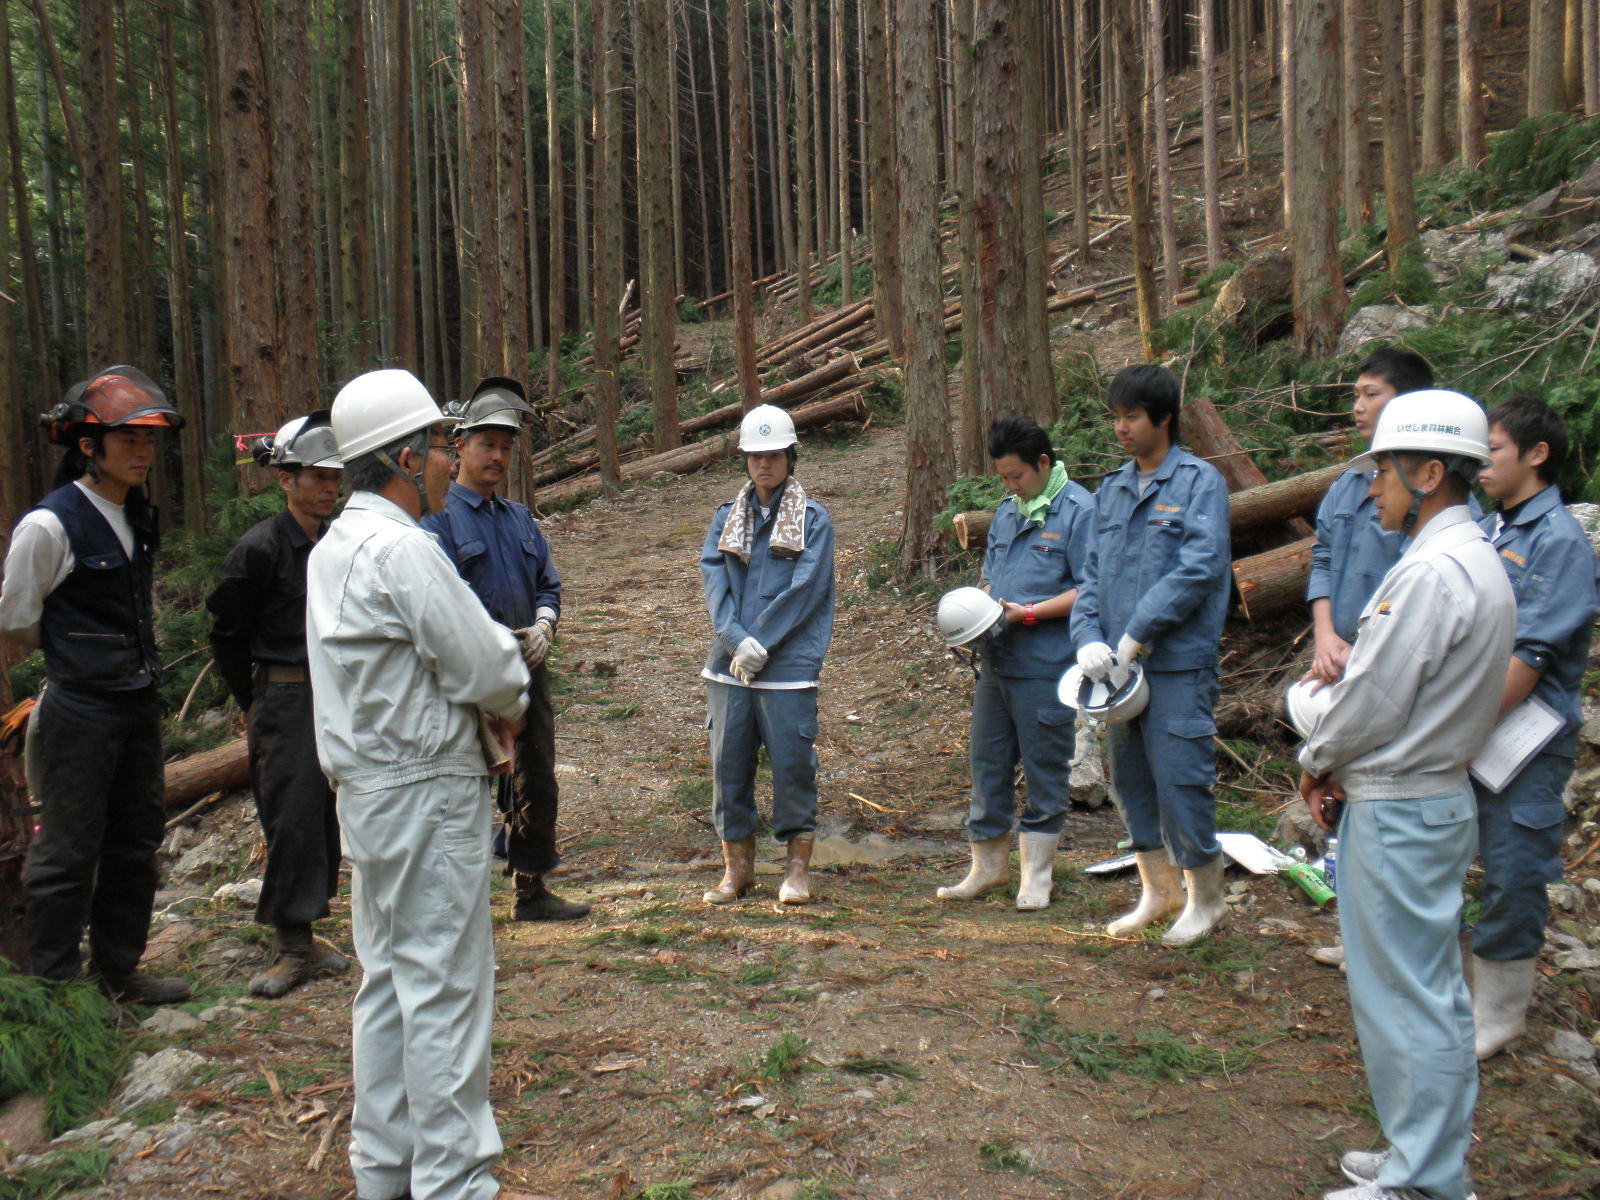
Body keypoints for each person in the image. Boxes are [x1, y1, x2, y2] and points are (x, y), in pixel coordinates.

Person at [306, 368, 536, 1200]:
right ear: (404, 456)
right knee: (445, 983)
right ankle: (454, 1182)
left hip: (367, 794)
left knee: (392, 982)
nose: (448, 459)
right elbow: (487, 664)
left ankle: (388, 1171)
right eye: (440, 444)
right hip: (426, 788)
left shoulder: (332, 547)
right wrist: (508, 694)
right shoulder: (403, 548)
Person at [1296, 389, 1513, 1200]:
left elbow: (1373, 700)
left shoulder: (1428, 573)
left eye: (1383, 472)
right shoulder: (1474, 558)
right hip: (1427, 796)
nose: (1373, 488)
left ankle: (1423, 1180)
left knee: (1402, 998)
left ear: (1429, 474)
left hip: (1399, 803)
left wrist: (1317, 758)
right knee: (1428, 993)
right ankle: (1423, 1152)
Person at [0, 367, 190, 1003]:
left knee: (137, 840)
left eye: (148, 441)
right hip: (79, 709)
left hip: (137, 705)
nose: (142, 453)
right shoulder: (48, 526)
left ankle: (119, 972)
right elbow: (17, 619)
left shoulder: (135, 516)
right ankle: (53, 991)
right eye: (128, 440)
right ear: (88, 445)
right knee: (66, 851)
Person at [1070, 364, 1232, 946]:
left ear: (1163, 418)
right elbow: (1090, 575)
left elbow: (1199, 568)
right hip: (1116, 673)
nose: (1121, 428)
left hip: (1177, 664)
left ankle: (1205, 897)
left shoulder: (1198, 483)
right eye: (1115, 416)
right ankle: (1158, 891)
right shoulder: (1110, 489)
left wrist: (1136, 632)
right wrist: (1087, 635)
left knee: (1180, 777)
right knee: (1132, 780)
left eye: (1131, 416)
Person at [422, 377, 588, 922]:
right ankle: (457, 906)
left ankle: (531, 888)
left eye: (506, 447)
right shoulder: (438, 520)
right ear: (460, 447)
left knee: (535, 776)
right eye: (487, 445)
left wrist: (544, 624)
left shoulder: (518, 518)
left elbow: (549, 583)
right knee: (463, 783)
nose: (497, 456)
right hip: (464, 680)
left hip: (526, 670)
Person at [1469, 396, 1599, 1059]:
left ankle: (1499, 1014)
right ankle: (1453, 991)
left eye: (1492, 449)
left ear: (1535, 455)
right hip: (1468, 730)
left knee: (1514, 870)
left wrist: (1455, 728)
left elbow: (1530, 656)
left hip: (1525, 742)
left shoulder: (1559, 541)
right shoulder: (1488, 530)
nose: (1481, 461)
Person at [206, 412, 351, 998]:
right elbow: (227, 634)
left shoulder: (342, 544)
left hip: (339, 691)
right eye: (315, 476)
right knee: (290, 815)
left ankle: (314, 929)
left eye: (335, 477)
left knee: (327, 815)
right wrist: (255, 700)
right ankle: (291, 943)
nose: (327, 487)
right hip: (285, 693)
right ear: (285, 479)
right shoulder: (259, 550)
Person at [935, 414, 1095, 910]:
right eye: (1003, 477)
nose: (1010, 485)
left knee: (1045, 766)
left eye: (1017, 476)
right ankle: (986, 867)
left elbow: (1093, 589)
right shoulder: (1008, 511)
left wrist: (1029, 612)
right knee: (987, 763)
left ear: (1043, 463)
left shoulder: (1080, 510)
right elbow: (992, 573)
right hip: (997, 662)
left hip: (1047, 662)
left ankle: (1037, 875)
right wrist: (980, 604)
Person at [698, 403, 835, 905]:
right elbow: (714, 581)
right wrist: (737, 641)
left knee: (793, 765)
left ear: (790, 456)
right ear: (745, 460)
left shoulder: (814, 521)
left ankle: (796, 871)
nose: (764, 465)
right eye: (756, 456)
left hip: (790, 665)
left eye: (774, 455)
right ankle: (737, 871)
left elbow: (807, 589)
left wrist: (764, 643)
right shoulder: (725, 518)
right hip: (728, 665)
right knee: (728, 764)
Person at [1305, 347, 1434, 687]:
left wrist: (1362, 655)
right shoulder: (1348, 483)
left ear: (1408, 402)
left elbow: (1423, 593)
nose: (1358, 406)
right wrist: (1325, 637)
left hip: (1394, 667)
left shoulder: (1431, 491)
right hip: (1335, 657)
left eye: (1371, 394)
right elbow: (1323, 557)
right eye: (1356, 395)